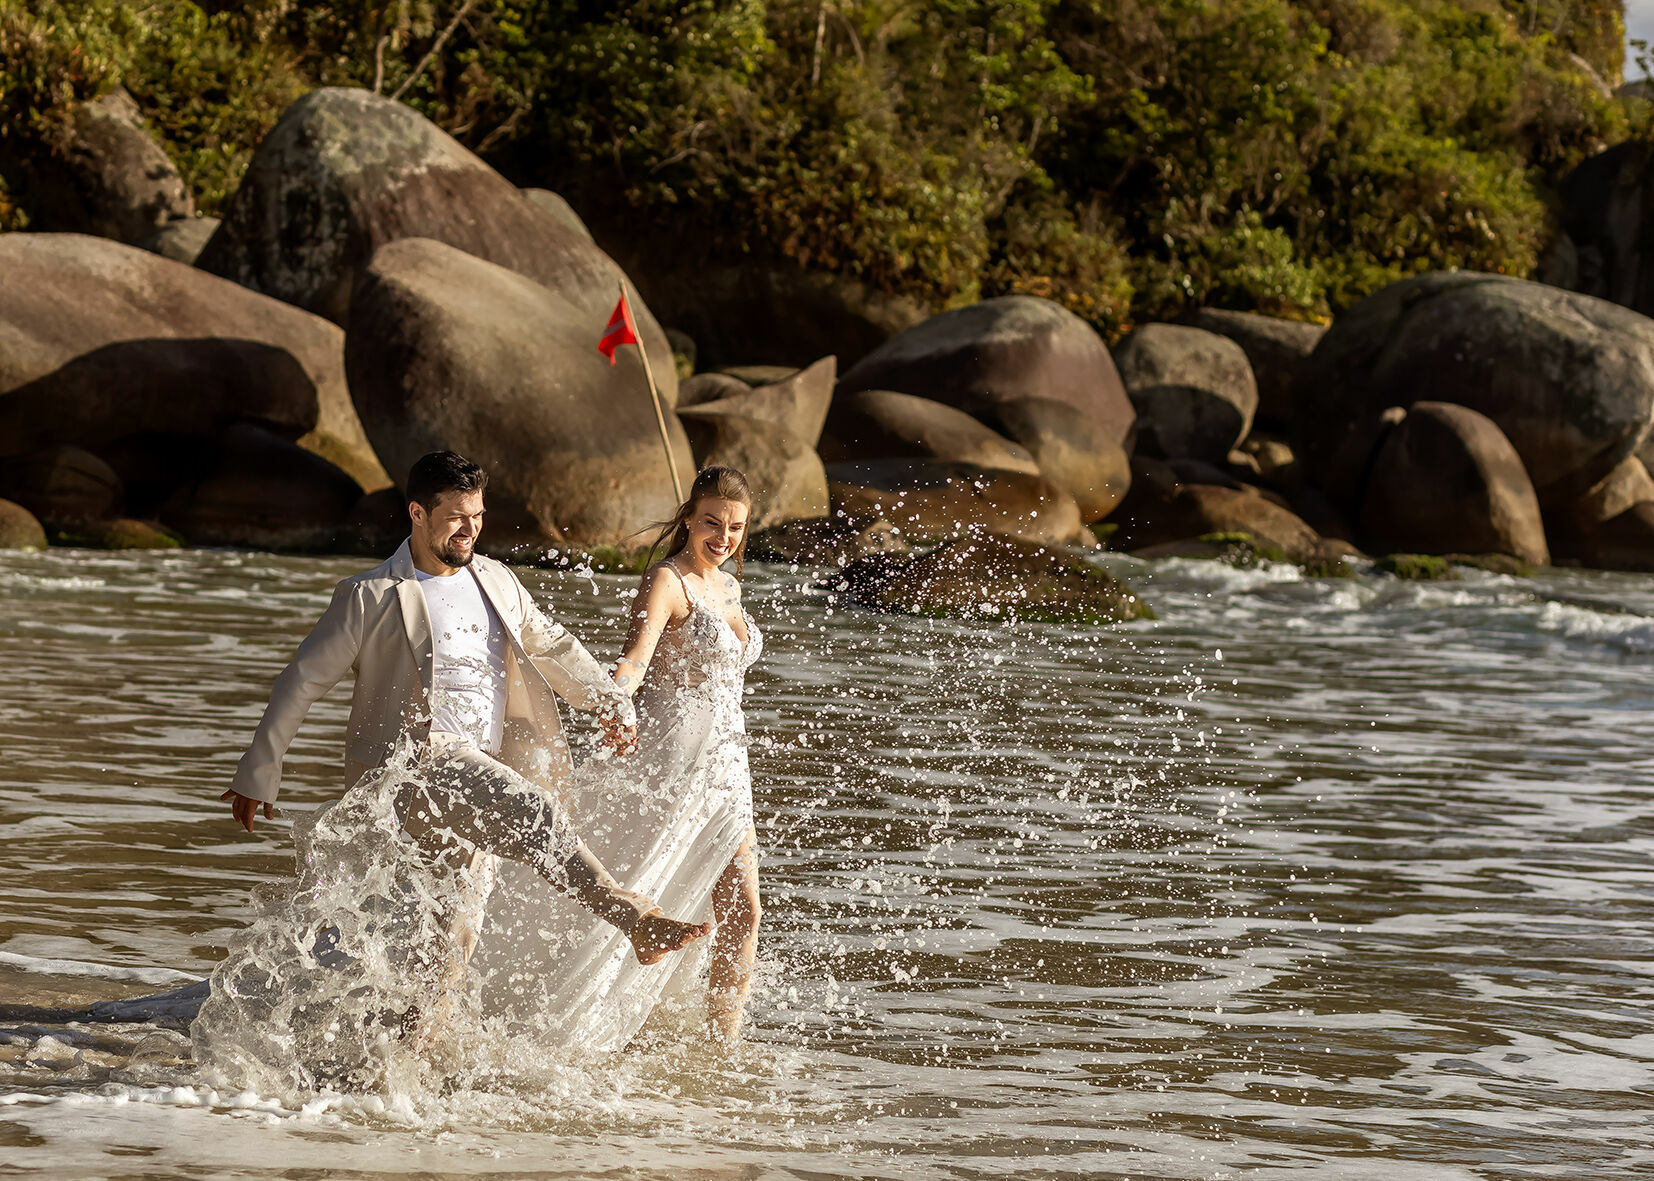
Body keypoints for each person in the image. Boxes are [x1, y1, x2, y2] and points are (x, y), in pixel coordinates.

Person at [218, 450, 712, 1018]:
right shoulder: (372, 595)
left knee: (449, 942)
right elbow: (301, 680)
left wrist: (608, 701)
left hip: (479, 765)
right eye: (456, 517)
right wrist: (261, 770)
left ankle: (402, 1069)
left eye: (477, 515)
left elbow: (550, 645)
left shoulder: (495, 579)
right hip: (414, 768)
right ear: (417, 513)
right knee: (537, 814)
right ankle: (635, 919)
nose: (470, 528)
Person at [610, 465, 764, 1039]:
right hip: (674, 761)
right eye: (712, 523)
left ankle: (724, 1042)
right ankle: (621, 1019)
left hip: (727, 765)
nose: (723, 537)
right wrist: (616, 701)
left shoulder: (730, 587)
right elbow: (635, 660)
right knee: (658, 884)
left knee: (745, 908)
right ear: (688, 518)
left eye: (736, 527)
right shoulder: (666, 582)